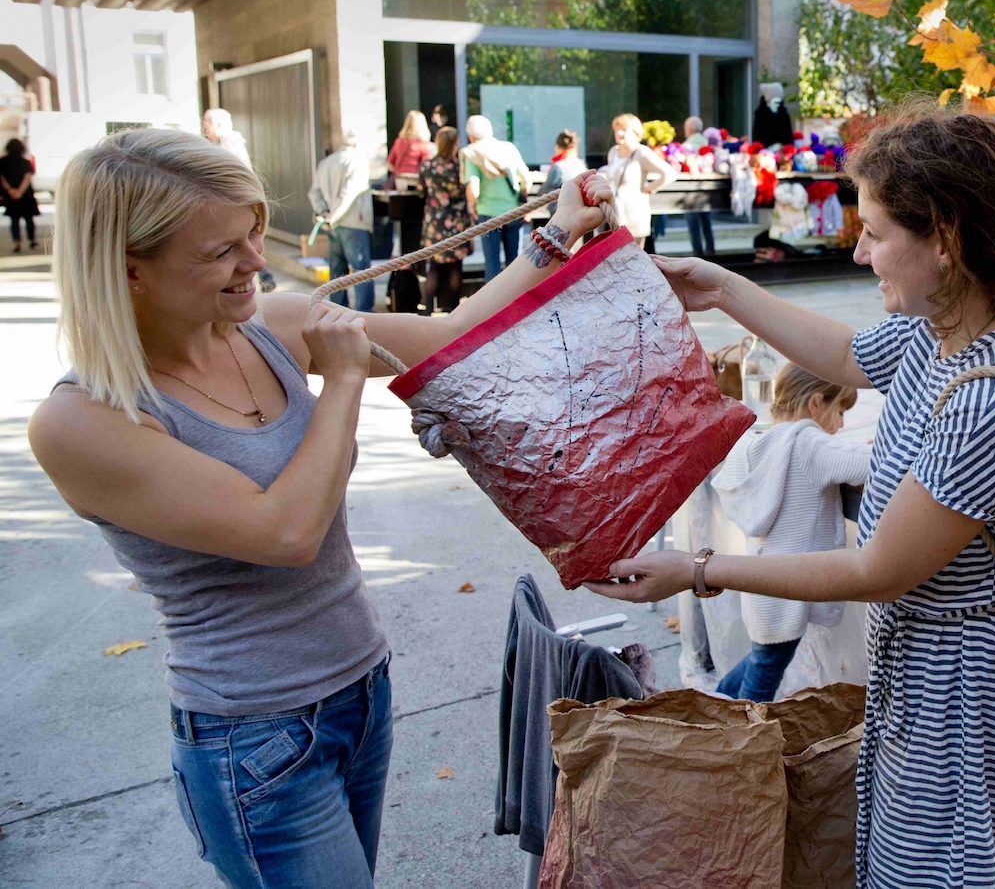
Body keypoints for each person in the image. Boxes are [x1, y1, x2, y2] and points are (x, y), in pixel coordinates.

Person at [27, 127, 612, 889]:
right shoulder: (83, 421)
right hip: (255, 735)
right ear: (129, 270)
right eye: (220, 252)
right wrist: (339, 383)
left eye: (255, 233)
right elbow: (286, 531)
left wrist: (559, 228)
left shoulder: (267, 325)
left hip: (361, 691)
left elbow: (451, 336)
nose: (255, 264)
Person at [590, 104, 995, 889]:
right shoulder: (941, 326)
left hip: (965, 694)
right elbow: (848, 354)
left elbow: (871, 571)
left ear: (944, 240)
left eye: (877, 233)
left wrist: (698, 569)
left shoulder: (991, 397)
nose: (858, 251)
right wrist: (722, 288)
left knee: (938, 875)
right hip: (928, 667)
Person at [710, 365, 871, 702]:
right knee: (764, 676)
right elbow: (870, 463)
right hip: (787, 592)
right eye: (840, 410)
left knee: (762, 658)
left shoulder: (755, 442)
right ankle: (739, 738)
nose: (840, 424)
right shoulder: (806, 443)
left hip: (762, 586)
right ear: (815, 403)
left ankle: (712, 705)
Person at [202, 110, 274, 292]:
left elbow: (236, 182)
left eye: (206, 123)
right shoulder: (220, 143)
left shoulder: (229, 143)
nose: (204, 127)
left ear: (217, 124)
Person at [310, 130, 376, 313]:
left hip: (332, 222)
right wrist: (334, 215)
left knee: (337, 271)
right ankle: (365, 313)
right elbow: (349, 194)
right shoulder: (357, 161)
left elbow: (314, 192)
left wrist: (324, 211)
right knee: (361, 271)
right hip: (352, 222)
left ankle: (336, 311)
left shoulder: (327, 162)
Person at [460, 115, 531, 282]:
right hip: (513, 210)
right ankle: (517, 299)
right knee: (514, 262)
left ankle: (494, 305)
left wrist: (472, 205)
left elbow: (473, 187)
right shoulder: (508, 148)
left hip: (488, 212)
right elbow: (526, 178)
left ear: (470, 135)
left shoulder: (472, 152)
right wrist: (521, 197)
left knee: (492, 263)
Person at [420, 126, 471, 315]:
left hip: (435, 221)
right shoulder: (460, 166)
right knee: (455, 267)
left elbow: (421, 190)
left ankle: (428, 309)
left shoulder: (427, 166)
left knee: (433, 266)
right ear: (455, 144)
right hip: (457, 220)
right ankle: (454, 309)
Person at [606, 113, 674, 249]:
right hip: (612, 215)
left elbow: (669, 173)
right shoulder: (613, 152)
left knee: (631, 261)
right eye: (617, 130)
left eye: (624, 129)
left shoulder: (641, 152)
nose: (619, 133)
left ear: (635, 132)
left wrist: (650, 187)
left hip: (632, 216)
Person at [381, 111, 437, 261]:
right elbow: (427, 166)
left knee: (402, 227)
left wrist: (401, 171)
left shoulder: (400, 142)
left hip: (400, 184)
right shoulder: (423, 145)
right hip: (418, 185)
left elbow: (389, 163)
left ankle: (400, 256)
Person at [680, 116, 716, 257]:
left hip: (691, 190)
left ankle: (698, 255)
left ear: (688, 129)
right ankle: (711, 254)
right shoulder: (708, 143)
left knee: (693, 226)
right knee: (707, 224)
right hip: (707, 190)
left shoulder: (685, 147)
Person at [2, 138, 40, 252]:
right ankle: (31, 240)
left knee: (14, 220)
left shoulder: (2, 161)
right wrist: (20, 192)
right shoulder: (25, 162)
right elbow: (27, 178)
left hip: (11, 195)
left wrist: (10, 190)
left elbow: (2, 178)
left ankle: (17, 242)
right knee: (29, 218)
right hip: (25, 195)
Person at [542, 129, 586, 196]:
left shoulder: (558, 167)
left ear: (557, 147)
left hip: (561, 205)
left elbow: (544, 191)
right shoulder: (581, 165)